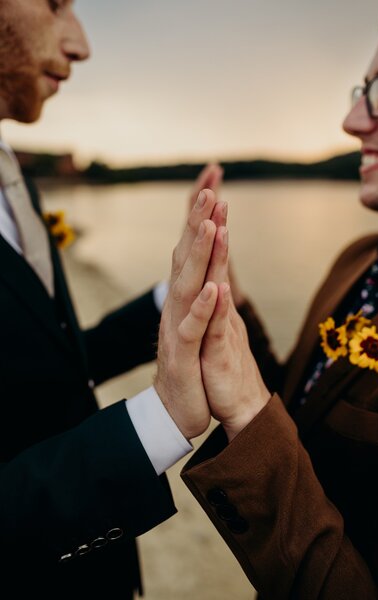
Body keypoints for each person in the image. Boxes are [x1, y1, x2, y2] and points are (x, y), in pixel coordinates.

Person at [0, 1, 228, 598]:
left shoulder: (13, 177)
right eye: (53, 4)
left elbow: (54, 362)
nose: (80, 43)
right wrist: (159, 421)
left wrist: (175, 292)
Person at [176, 1, 378, 597]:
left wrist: (247, 415)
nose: (353, 120)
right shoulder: (361, 259)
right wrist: (230, 296)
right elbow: (301, 406)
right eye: (364, 89)